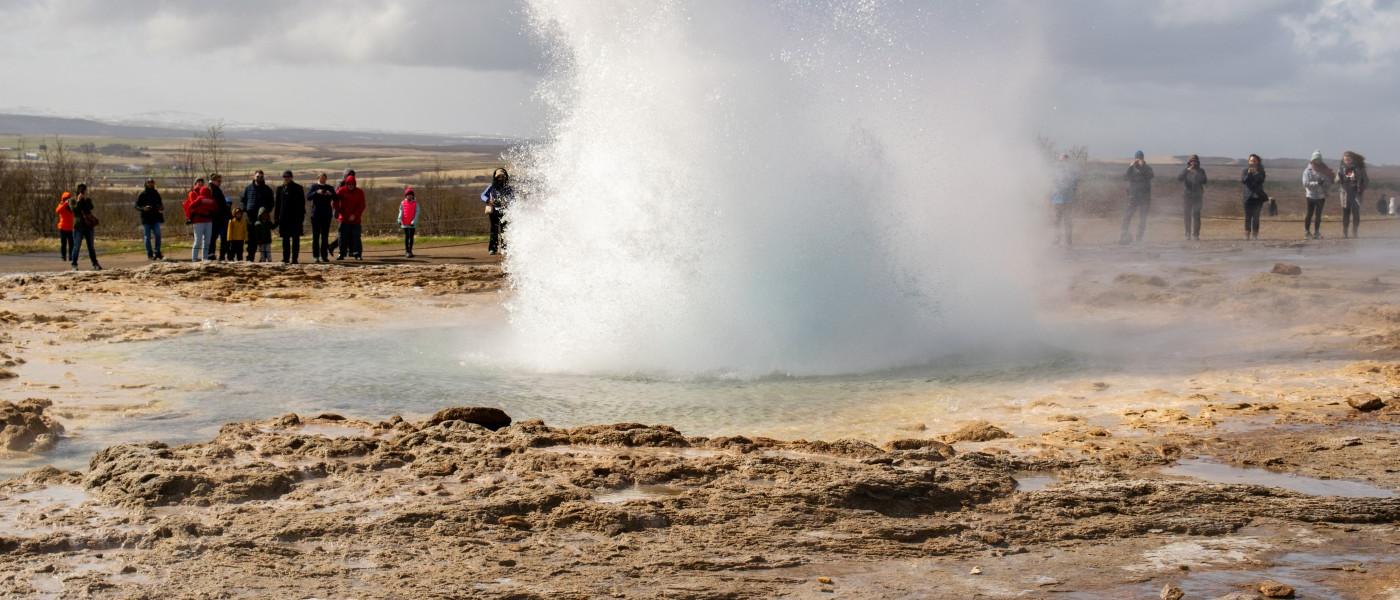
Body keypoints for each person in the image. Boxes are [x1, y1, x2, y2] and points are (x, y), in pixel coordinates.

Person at [241, 170, 275, 262]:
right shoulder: (248, 188)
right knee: (251, 239)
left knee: (262, 239)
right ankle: (250, 257)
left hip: (262, 219)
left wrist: (266, 213)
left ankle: (263, 258)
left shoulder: (267, 189)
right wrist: (245, 209)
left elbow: (271, 203)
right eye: (257, 176)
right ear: (254, 177)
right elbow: (243, 200)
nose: (259, 178)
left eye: (261, 176)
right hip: (250, 218)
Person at [1121, 151, 1154, 244]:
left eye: (1140, 158)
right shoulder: (1131, 169)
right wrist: (1130, 166)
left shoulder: (1148, 168)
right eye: (1137, 158)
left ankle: (1139, 237)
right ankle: (1124, 234)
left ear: (1143, 158)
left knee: (1143, 218)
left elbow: (1150, 176)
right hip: (1133, 196)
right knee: (1127, 216)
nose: (1139, 159)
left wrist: (1143, 167)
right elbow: (1125, 177)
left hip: (1145, 197)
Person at [273, 170, 306, 264]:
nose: (286, 178)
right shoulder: (280, 189)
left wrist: (301, 218)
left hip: (296, 219)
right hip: (283, 219)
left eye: (288, 176)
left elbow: (302, 204)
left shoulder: (298, 188)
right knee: (285, 240)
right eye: (284, 176)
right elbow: (277, 205)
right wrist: (276, 218)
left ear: (291, 177)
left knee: (296, 239)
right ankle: (286, 258)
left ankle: (295, 258)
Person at [481, 167, 514, 255]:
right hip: (494, 211)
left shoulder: (508, 188)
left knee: (504, 231)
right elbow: (483, 195)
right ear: (495, 177)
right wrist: (488, 200)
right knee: (494, 230)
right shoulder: (491, 187)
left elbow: (513, 198)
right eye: (499, 177)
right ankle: (493, 249)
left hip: (505, 211)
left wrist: (508, 202)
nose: (501, 179)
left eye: (503, 177)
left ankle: (504, 249)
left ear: (505, 178)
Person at [1301, 150, 1333, 240]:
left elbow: (1328, 182)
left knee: (1318, 215)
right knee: (1309, 214)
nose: (1317, 161)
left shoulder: (1324, 170)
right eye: (1315, 159)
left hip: (1321, 196)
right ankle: (1307, 232)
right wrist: (1317, 183)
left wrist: (1325, 184)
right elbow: (1305, 183)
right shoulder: (1307, 171)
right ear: (1312, 160)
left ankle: (1316, 232)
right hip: (1310, 196)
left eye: (1319, 160)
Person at [68, 183, 101, 271]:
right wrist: (78, 201)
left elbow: (90, 208)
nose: (84, 193)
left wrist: (85, 201)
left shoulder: (87, 200)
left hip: (88, 226)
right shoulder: (72, 200)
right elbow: (75, 211)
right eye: (84, 191)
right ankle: (74, 264)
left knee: (91, 246)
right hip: (78, 226)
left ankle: (95, 263)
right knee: (76, 246)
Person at [333, 174, 366, 260]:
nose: (351, 186)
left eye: (352, 184)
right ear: (346, 184)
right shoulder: (341, 190)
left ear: (355, 184)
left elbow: (362, 205)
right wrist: (338, 210)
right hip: (343, 219)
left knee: (356, 237)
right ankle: (341, 253)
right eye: (349, 184)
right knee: (342, 237)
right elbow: (335, 200)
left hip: (355, 220)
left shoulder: (359, 192)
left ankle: (358, 254)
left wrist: (355, 215)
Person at [1176, 155, 1208, 241]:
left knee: (1196, 215)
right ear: (1189, 162)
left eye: (1195, 161)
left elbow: (1205, 181)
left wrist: (1198, 173)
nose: (1193, 163)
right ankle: (1187, 233)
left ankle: (1196, 234)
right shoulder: (1186, 170)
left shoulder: (1201, 171)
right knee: (1187, 215)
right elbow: (1179, 179)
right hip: (1187, 196)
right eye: (1192, 161)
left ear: (1198, 162)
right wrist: (1187, 171)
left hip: (1198, 196)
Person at [306, 173, 336, 263]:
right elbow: (308, 197)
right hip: (316, 215)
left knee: (325, 237)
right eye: (321, 177)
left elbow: (336, 198)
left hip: (326, 215)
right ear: (318, 178)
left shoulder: (329, 187)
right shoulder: (314, 187)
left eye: (324, 178)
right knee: (316, 237)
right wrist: (316, 192)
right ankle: (316, 256)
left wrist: (330, 194)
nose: (323, 179)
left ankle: (324, 256)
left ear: (326, 179)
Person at [1337, 150, 1368, 239]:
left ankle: (1355, 232)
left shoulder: (1359, 169)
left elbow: (1366, 181)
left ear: (1352, 160)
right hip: (1345, 194)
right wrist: (1339, 178)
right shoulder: (1341, 169)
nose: (1347, 161)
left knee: (1356, 214)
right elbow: (1336, 180)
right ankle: (1345, 232)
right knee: (1345, 214)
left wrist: (1361, 187)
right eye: (1345, 159)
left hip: (1356, 194)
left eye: (1348, 159)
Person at [184, 185, 217, 262]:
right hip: (199, 221)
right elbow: (191, 206)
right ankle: (194, 259)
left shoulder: (203, 198)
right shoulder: (204, 199)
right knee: (202, 241)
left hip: (207, 221)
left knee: (202, 241)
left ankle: (204, 259)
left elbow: (191, 206)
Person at [1050, 154, 1078, 246]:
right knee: (1060, 221)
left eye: (1064, 161)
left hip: (1063, 200)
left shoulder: (1057, 171)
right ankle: (1061, 239)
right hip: (1060, 200)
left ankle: (1065, 240)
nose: (1063, 163)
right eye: (1062, 161)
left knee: (1063, 220)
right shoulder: (1069, 172)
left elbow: (1074, 185)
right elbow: (1074, 186)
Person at [135, 178, 165, 260]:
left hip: (155, 217)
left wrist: (161, 207)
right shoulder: (142, 194)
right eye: (149, 182)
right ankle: (150, 254)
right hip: (146, 218)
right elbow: (136, 206)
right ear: (146, 184)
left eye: (152, 182)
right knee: (147, 237)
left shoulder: (156, 193)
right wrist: (143, 208)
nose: (151, 184)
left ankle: (157, 252)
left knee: (158, 235)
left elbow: (161, 204)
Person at [1241, 154, 1268, 241]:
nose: (1252, 162)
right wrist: (1249, 174)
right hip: (1248, 197)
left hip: (1258, 197)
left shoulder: (1261, 171)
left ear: (1258, 162)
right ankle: (1247, 235)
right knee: (1248, 217)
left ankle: (1255, 235)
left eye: (1254, 161)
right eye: (1251, 160)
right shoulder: (1245, 170)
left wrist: (1255, 173)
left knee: (1256, 217)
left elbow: (1261, 180)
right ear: (1249, 161)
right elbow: (1244, 181)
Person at [208, 174, 229, 260]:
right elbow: (217, 204)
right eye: (218, 181)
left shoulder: (216, 189)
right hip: (216, 217)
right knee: (213, 237)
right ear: (213, 180)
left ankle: (219, 255)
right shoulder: (212, 190)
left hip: (220, 217)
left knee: (218, 238)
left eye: (220, 181)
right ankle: (211, 254)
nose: (220, 183)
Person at [398, 186, 420, 257]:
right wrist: (399, 219)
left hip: (412, 223)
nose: (409, 196)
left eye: (410, 195)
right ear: (406, 195)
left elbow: (417, 213)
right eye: (408, 195)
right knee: (407, 237)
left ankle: (410, 250)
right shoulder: (402, 203)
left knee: (411, 236)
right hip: (405, 223)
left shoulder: (416, 203)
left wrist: (414, 221)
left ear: (413, 196)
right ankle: (407, 251)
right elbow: (401, 211)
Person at [55, 191, 74, 261]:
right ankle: (63, 256)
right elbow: (57, 210)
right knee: (63, 243)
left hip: (70, 228)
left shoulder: (71, 206)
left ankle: (71, 256)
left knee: (71, 244)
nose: (68, 200)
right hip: (63, 227)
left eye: (69, 198)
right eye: (66, 198)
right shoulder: (62, 205)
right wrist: (65, 203)